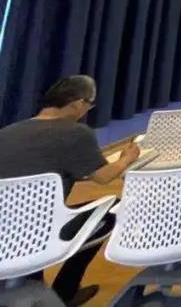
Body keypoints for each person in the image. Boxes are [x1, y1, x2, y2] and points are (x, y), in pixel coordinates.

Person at [0, 76, 142, 305]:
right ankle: (66, 291)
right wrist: (127, 158)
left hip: (5, 229)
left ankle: (31, 280)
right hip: (40, 231)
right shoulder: (76, 132)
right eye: (89, 105)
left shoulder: (7, 132)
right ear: (77, 103)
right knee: (110, 212)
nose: (87, 111)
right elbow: (104, 177)